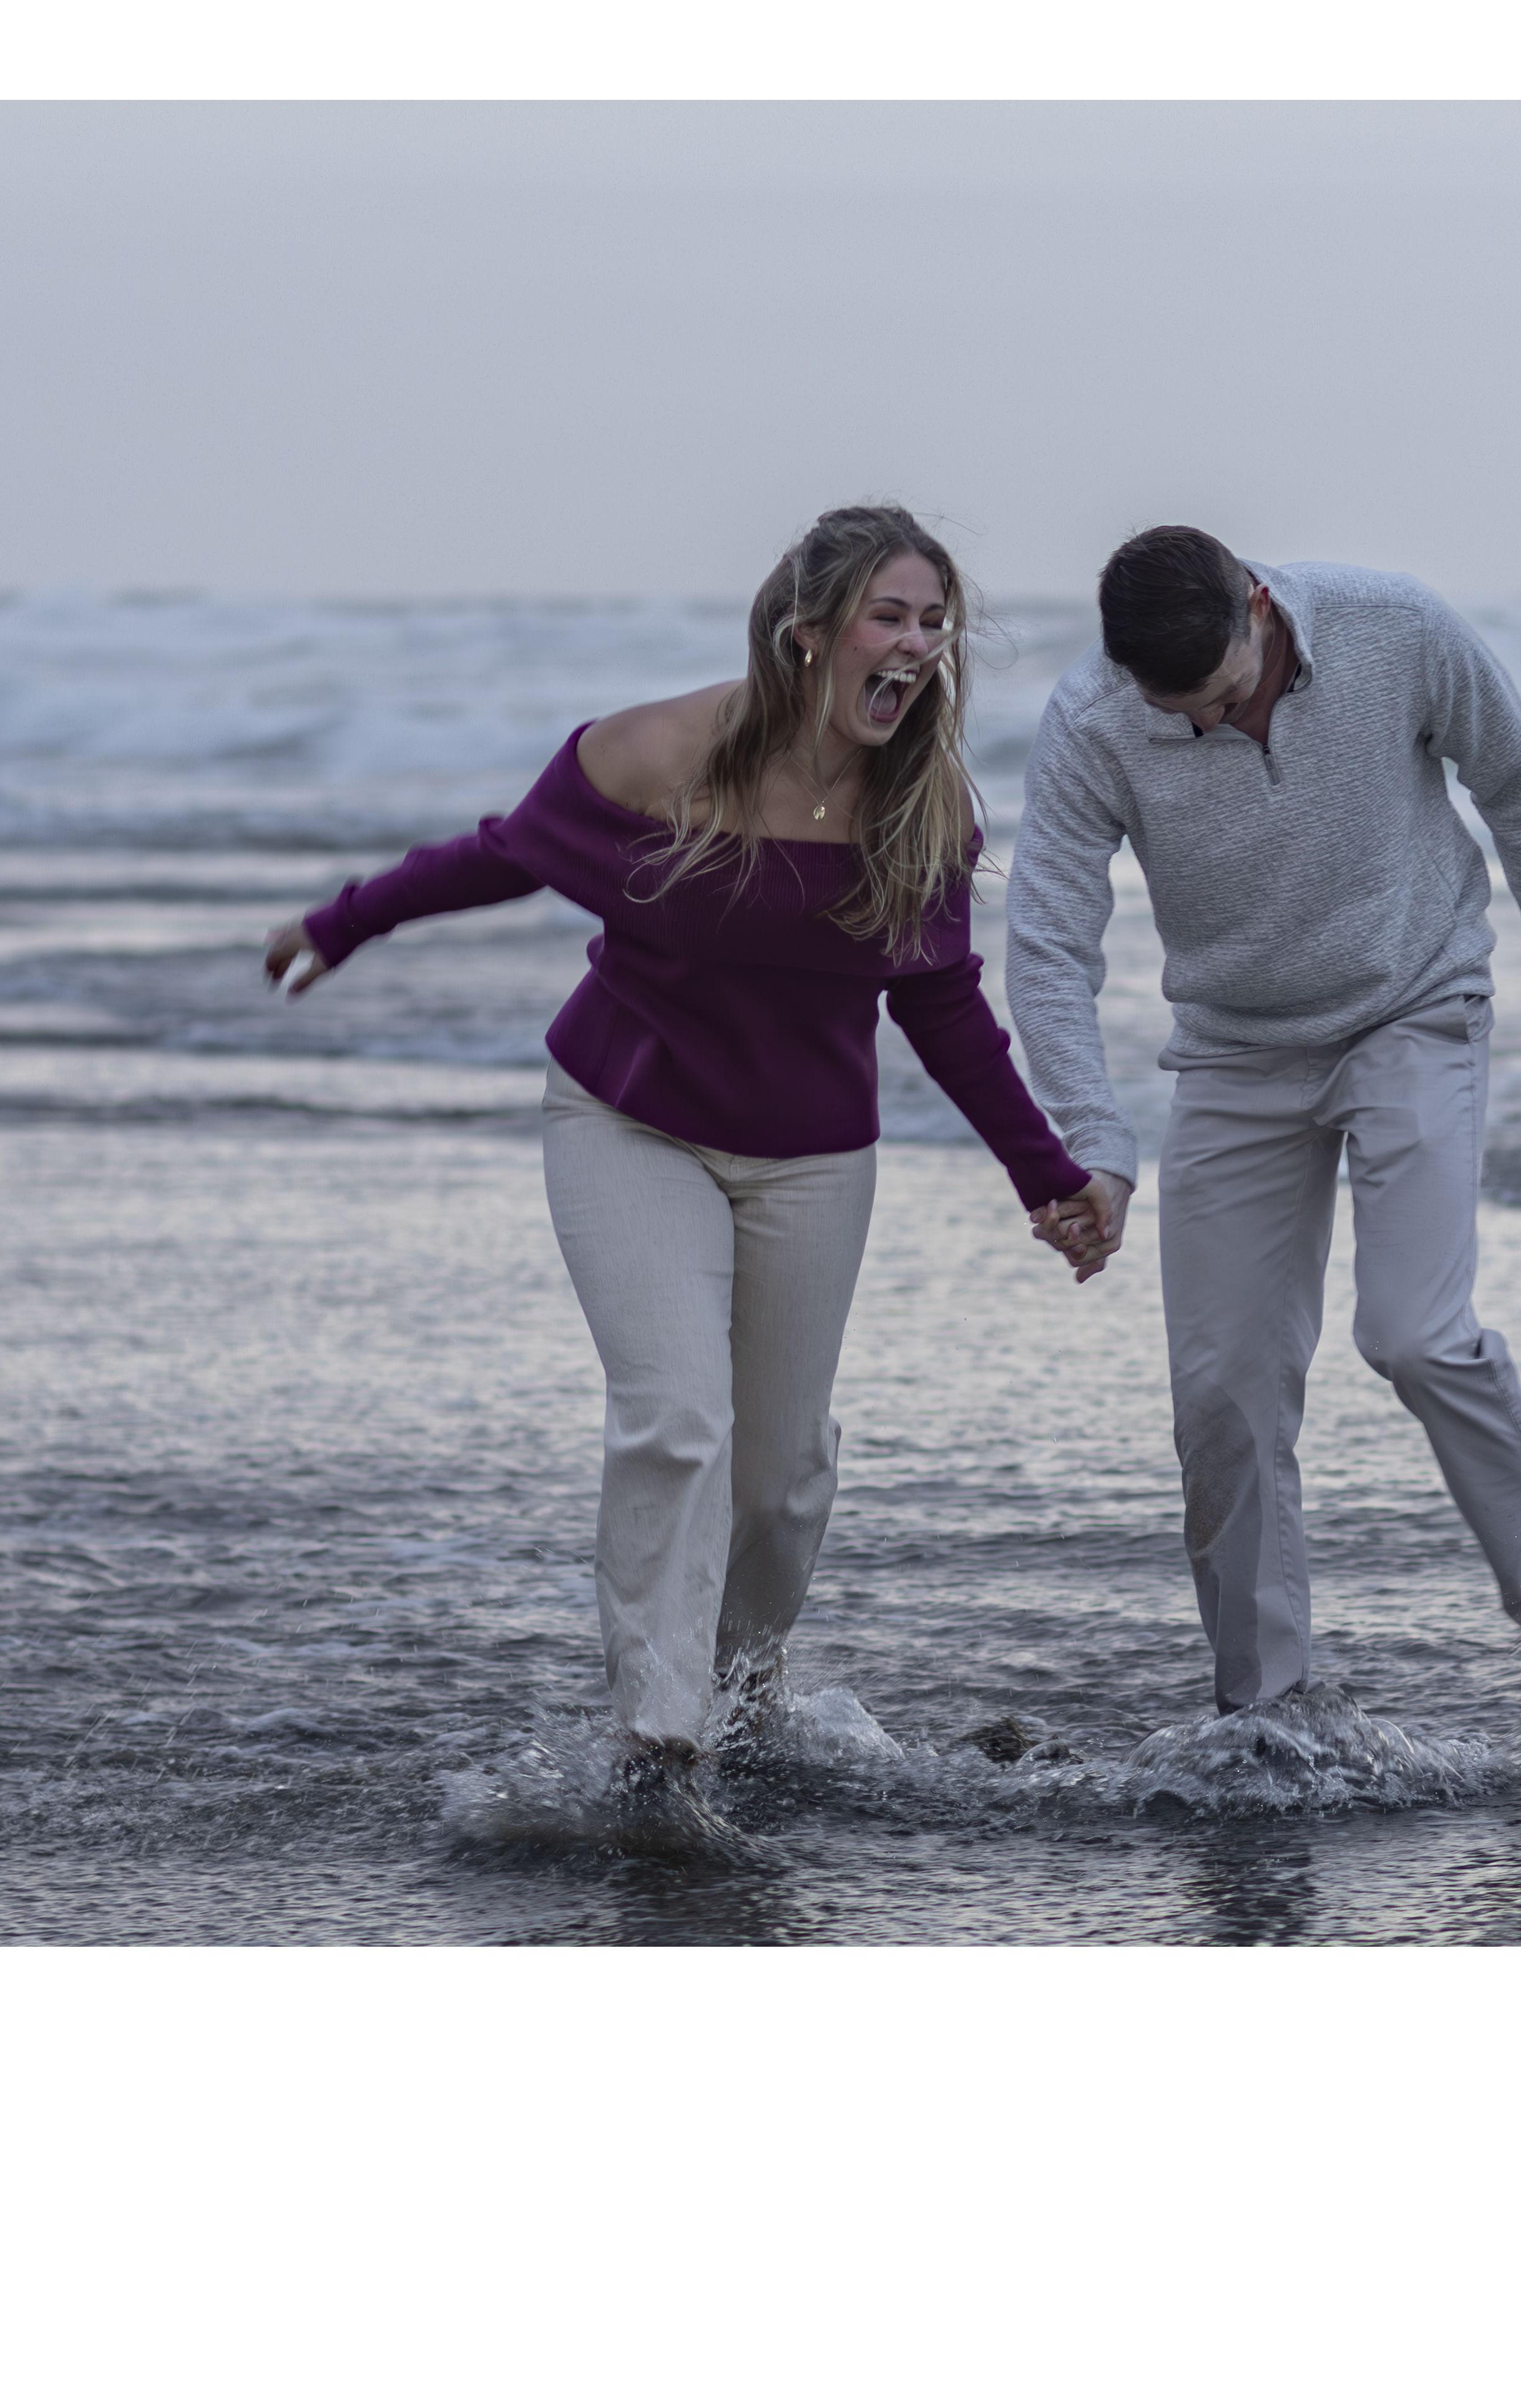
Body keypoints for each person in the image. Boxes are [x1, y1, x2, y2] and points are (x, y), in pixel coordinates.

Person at [265, 506, 1104, 1786]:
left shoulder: (921, 802)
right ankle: (660, 1735)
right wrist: (344, 922)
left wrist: (1047, 1178)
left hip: (812, 1156)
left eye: (934, 623)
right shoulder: (658, 753)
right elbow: (505, 855)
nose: (916, 644)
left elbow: (939, 1006)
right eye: (888, 615)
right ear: (808, 631)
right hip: (628, 1120)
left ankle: (741, 1694)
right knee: (675, 1418)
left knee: (782, 1479)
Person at [1004, 525, 1521, 1769]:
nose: (1208, 720)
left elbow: (1518, 782)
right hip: (1233, 1052)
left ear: (1258, 605)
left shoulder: (1395, 627)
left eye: (1222, 691)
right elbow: (1048, 942)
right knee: (1221, 1390)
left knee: (1412, 1330)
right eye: (1179, 711)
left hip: (1413, 1006)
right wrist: (1094, 1144)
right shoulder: (1092, 722)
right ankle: (1265, 1709)